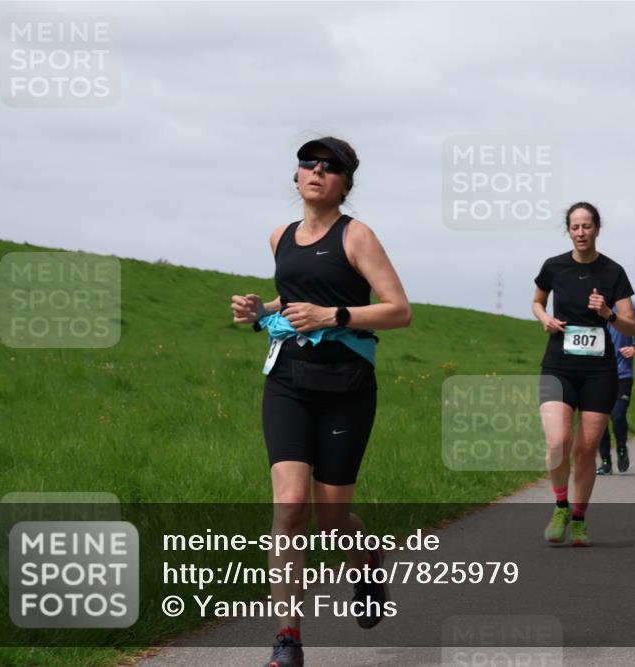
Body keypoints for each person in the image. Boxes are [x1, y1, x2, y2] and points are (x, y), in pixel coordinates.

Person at [231, 137, 412, 667]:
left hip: (346, 388)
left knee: (331, 520)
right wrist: (256, 310)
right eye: (308, 163)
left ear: (345, 185)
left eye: (331, 167)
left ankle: (366, 560)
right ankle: (287, 640)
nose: (317, 171)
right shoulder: (279, 237)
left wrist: (335, 316)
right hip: (287, 380)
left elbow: (399, 310)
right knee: (288, 507)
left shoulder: (357, 236)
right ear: (296, 178)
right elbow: (292, 301)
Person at [533, 202, 635, 546]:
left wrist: (607, 312)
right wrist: (544, 318)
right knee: (558, 442)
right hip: (558, 365)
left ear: (597, 229)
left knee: (585, 449)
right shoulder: (554, 266)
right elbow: (537, 302)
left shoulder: (613, 272)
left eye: (587, 226)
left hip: (598, 372)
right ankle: (560, 505)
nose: (581, 232)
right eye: (575, 227)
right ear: (569, 230)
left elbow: (630, 326)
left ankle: (578, 517)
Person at [597, 297, 635, 475]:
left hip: (622, 373)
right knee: (599, 420)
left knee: (617, 416)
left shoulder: (632, 306)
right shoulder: (593, 304)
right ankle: (605, 461)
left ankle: (621, 447)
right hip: (596, 373)